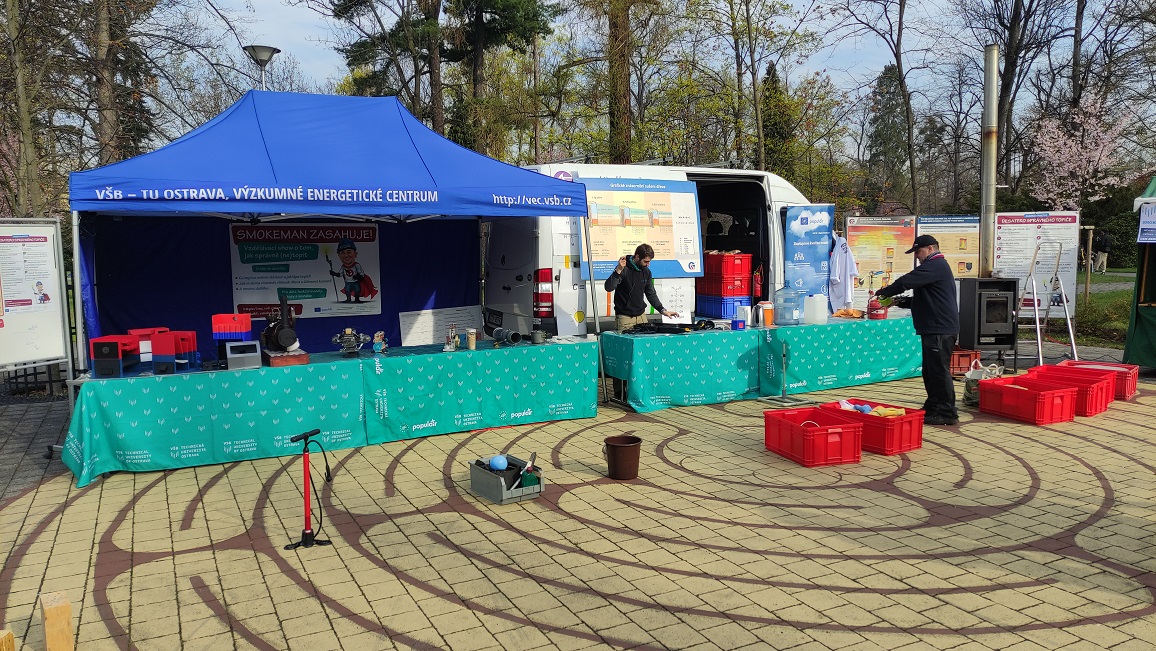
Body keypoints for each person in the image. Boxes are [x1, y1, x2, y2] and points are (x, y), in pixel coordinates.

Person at [874, 234, 960, 426]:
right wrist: (900, 301)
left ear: (930, 249)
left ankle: (947, 412)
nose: (916, 256)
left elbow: (907, 281)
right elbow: (926, 299)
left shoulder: (936, 265)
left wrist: (886, 291)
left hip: (940, 328)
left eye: (918, 251)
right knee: (930, 371)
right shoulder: (934, 268)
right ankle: (933, 406)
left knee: (939, 371)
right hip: (933, 328)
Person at [604, 243, 679, 332]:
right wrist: (618, 270)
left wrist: (662, 310)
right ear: (637, 257)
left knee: (645, 340)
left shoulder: (646, 272)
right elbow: (608, 287)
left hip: (641, 317)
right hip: (625, 318)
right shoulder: (623, 268)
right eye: (646, 261)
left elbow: (651, 293)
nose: (648, 264)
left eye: (649, 261)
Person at [329, 238, 378, 303]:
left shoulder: (356, 265)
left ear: (355, 254)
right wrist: (334, 273)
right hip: (348, 282)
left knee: (357, 290)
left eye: (349, 252)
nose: (346, 255)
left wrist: (359, 277)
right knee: (347, 290)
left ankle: (357, 299)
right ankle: (348, 299)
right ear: (339, 256)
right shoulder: (343, 267)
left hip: (355, 282)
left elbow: (361, 273)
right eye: (342, 253)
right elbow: (340, 274)